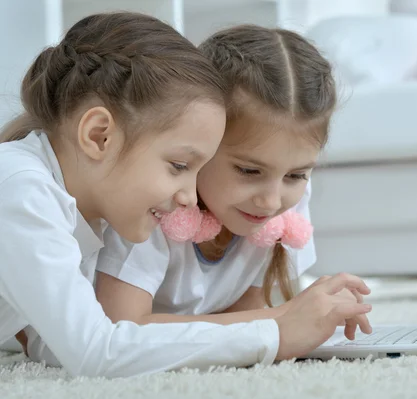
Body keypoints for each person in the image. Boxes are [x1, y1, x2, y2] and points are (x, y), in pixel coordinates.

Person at [0, 13, 371, 378]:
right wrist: (276, 332)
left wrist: (290, 321)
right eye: (179, 165)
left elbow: (53, 344)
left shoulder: (81, 207)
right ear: (99, 136)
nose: (190, 199)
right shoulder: (22, 189)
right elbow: (97, 351)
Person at [94, 24, 373, 352]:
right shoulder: (152, 204)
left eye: (296, 176)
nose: (270, 202)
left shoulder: (276, 203)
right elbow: (120, 327)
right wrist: (282, 319)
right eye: (249, 170)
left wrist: (307, 319)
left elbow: (241, 315)